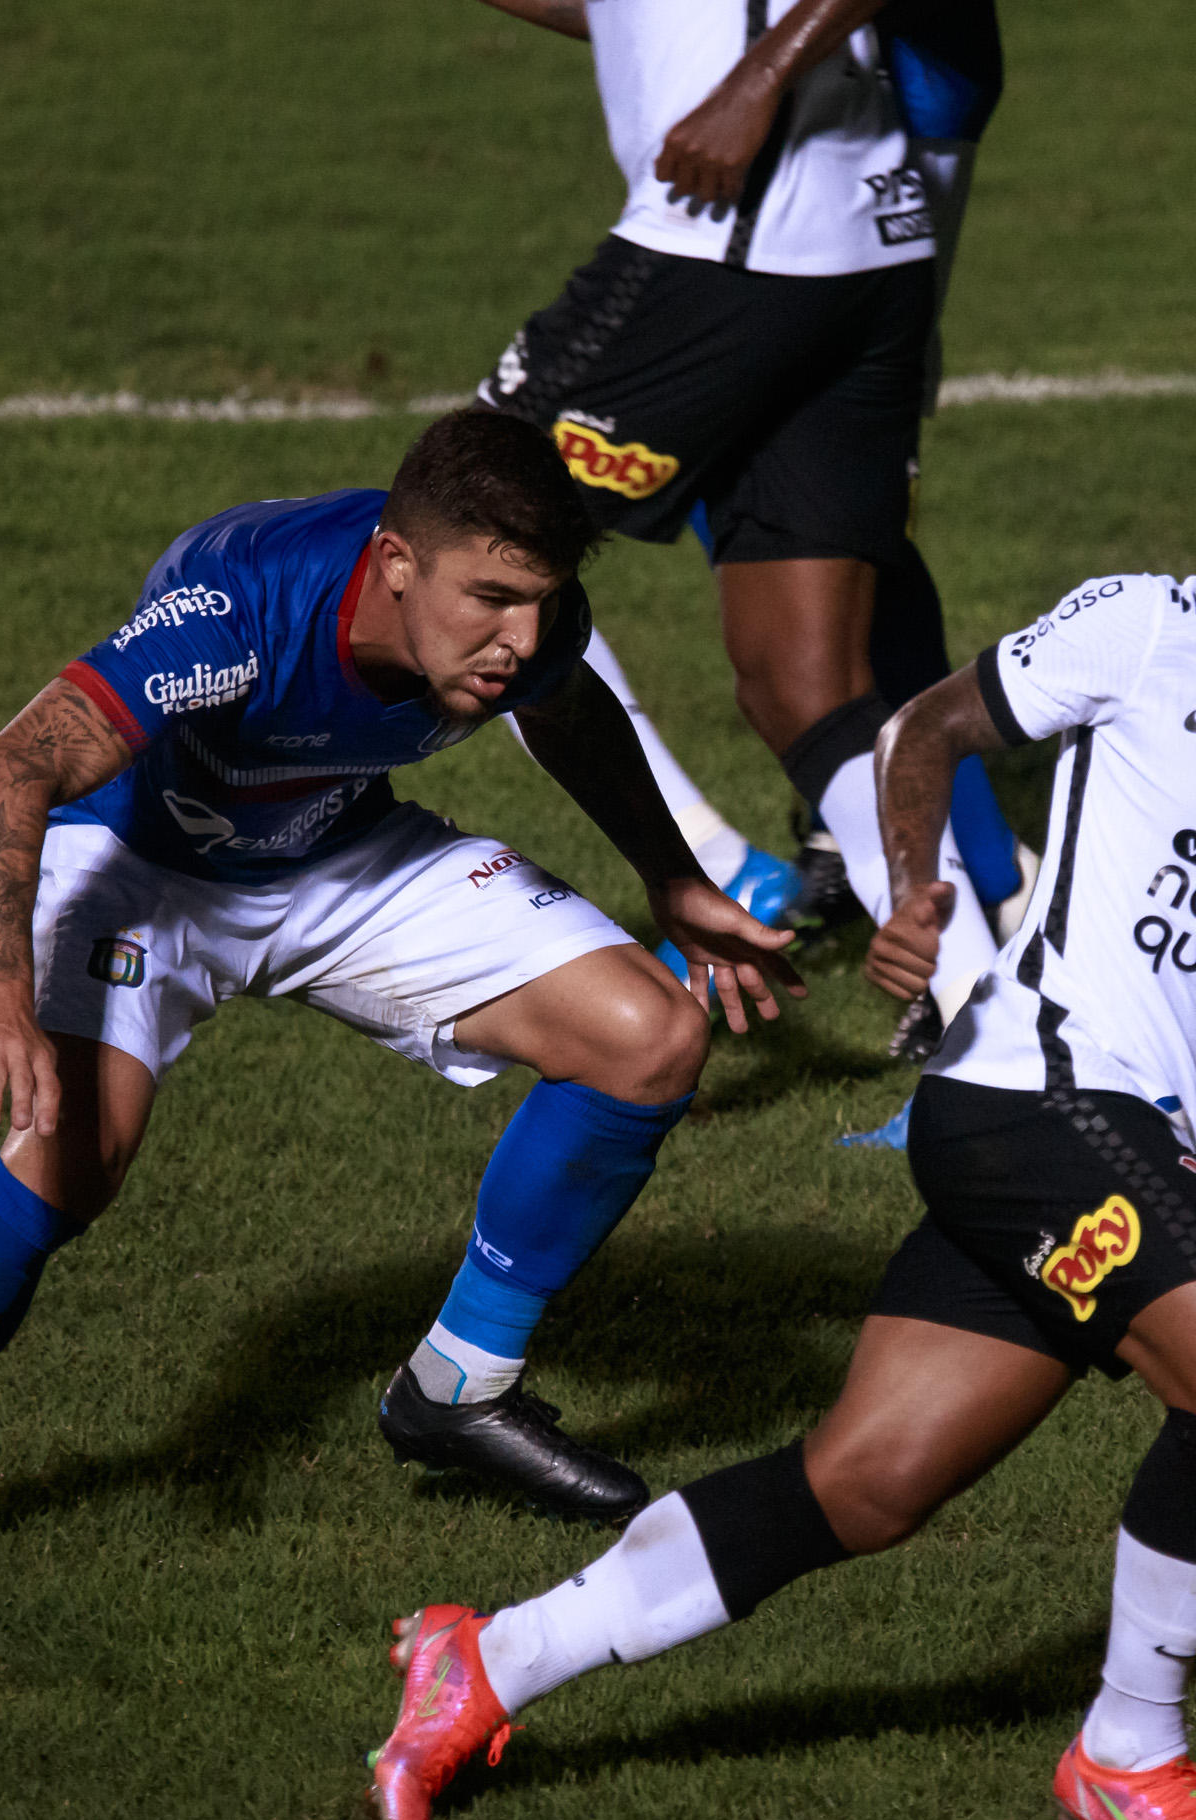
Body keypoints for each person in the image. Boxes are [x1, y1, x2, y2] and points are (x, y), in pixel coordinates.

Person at [362, 399, 1196, 1820]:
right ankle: (1130, 1750)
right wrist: (913, 893)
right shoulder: (1158, 630)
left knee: (863, 1484)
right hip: (1031, 1101)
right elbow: (932, 726)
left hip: (1117, 1133)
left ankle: (490, 1659)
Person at [0, 410, 805, 1622]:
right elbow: (7, 772)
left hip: (331, 847)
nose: (519, 639)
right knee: (70, 1167)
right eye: (491, 600)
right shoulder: (241, 610)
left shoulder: (531, 624)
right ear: (396, 564)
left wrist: (673, 879)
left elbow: (568, 707)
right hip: (144, 869)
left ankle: (457, 1387)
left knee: (649, 1034)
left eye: (541, 602)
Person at [468, 0, 1024, 1050]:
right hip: (862, 257)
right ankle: (997, 1039)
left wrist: (754, 80)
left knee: (461, 538)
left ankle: (713, 864)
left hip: (730, 237)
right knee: (804, 689)